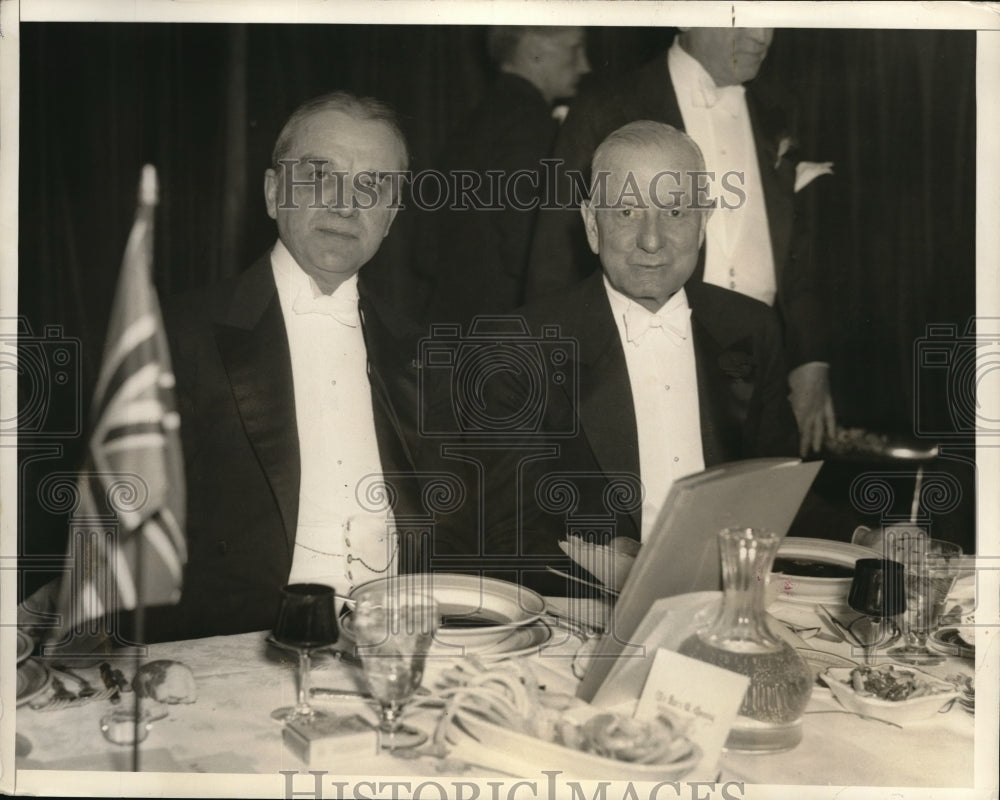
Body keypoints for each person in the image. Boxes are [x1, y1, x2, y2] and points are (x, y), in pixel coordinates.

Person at [151, 92, 442, 641]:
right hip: (236, 660)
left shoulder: (424, 352)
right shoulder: (178, 334)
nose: (345, 205)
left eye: (372, 185)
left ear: (392, 214)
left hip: (393, 653)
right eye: (319, 175)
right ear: (271, 192)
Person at [474, 121, 799, 593]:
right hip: (584, 614)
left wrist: (862, 534)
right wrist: (615, 569)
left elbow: (778, 490)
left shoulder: (750, 329)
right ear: (591, 225)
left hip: (729, 602)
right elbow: (502, 535)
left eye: (675, 213)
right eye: (626, 212)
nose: (652, 240)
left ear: (704, 221)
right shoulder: (522, 345)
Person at [525, 28, 835, 457]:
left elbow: (796, 247)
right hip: (637, 348)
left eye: (770, 15)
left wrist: (808, 358)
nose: (760, 33)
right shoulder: (609, 101)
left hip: (759, 352)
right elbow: (554, 260)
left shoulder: (778, 104)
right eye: (740, 14)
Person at [425, 26, 590, 321]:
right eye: (575, 48)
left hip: (455, 325)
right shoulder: (531, 125)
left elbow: (423, 252)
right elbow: (535, 254)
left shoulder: (474, 124)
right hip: (507, 334)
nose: (585, 65)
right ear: (533, 50)